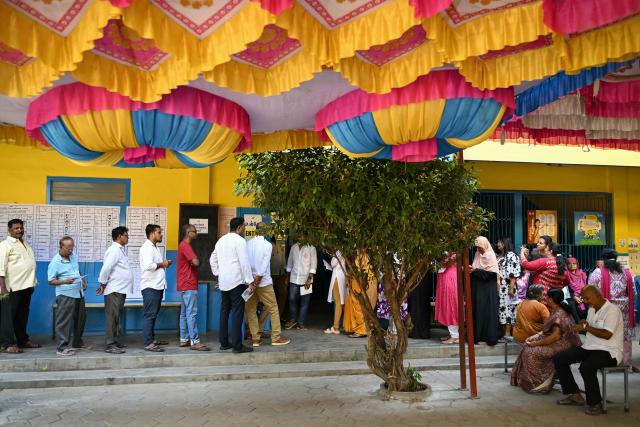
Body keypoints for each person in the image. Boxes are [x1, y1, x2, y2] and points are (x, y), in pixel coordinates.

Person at [554, 285, 624, 416]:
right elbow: (589, 326)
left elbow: (607, 334)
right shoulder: (592, 309)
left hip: (609, 351)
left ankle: (595, 403)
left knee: (586, 367)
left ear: (598, 295)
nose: (585, 301)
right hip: (590, 346)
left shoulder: (612, 310)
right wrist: (583, 324)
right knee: (560, 358)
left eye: (587, 298)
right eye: (583, 298)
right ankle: (575, 395)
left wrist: (586, 328)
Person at [511, 288, 581, 393]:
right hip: (554, 339)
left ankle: (540, 383)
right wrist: (536, 336)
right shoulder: (553, 309)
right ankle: (533, 380)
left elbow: (555, 337)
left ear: (551, 299)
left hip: (563, 343)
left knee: (530, 352)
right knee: (527, 346)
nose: (545, 298)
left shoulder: (559, 313)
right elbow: (547, 331)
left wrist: (536, 343)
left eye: (547, 296)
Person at [210, 217, 255, 354]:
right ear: (240, 228)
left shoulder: (221, 240)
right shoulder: (240, 241)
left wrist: (219, 273)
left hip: (224, 282)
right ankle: (237, 345)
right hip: (236, 282)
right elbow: (244, 263)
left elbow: (212, 259)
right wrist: (250, 281)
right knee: (237, 313)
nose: (244, 229)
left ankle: (224, 342)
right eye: (244, 227)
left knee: (224, 311)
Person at [588, 249, 635, 368]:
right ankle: (625, 363)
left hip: (606, 309)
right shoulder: (627, 273)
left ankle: (606, 362)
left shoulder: (598, 272)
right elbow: (633, 292)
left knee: (605, 333)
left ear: (603, 259)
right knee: (624, 335)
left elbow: (590, 291)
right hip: (624, 309)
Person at [246, 222, 290, 347]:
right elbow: (265, 263)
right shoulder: (267, 245)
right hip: (263, 282)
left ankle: (255, 339)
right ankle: (276, 338)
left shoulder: (247, 243)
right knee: (273, 308)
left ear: (256, 230)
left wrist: (252, 280)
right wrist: (259, 278)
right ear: (265, 231)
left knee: (251, 309)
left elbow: (245, 263)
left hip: (250, 282)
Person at [0, 219, 40, 353]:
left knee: (22, 315)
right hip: (12, 287)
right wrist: (3, 288)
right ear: (9, 230)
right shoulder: (5, 245)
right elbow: (0, 268)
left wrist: (32, 283)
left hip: (26, 286)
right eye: (16, 228)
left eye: (21, 228)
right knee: (8, 317)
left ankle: (22, 340)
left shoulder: (25, 244)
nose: (19, 230)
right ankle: (7, 344)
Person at [48, 236, 86, 356]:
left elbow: (77, 270)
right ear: (61, 247)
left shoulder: (73, 257)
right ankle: (61, 347)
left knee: (81, 319)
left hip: (78, 293)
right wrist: (64, 281)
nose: (71, 250)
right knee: (64, 321)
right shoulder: (55, 262)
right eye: (68, 247)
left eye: (72, 247)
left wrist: (82, 281)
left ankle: (77, 343)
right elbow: (50, 281)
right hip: (65, 294)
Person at [97, 226, 133, 354]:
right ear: (119, 236)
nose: (128, 237)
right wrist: (102, 283)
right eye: (126, 235)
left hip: (120, 289)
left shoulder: (119, 250)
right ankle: (110, 344)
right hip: (114, 289)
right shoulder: (113, 250)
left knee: (116, 317)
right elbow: (106, 268)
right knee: (112, 318)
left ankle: (116, 342)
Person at [139, 224, 172, 352]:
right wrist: (163, 264)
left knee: (153, 314)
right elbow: (148, 266)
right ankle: (148, 343)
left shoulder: (154, 248)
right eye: (159, 232)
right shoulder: (147, 248)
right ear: (152, 234)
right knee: (149, 315)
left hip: (156, 285)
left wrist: (163, 264)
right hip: (150, 286)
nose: (161, 234)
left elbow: (154, 265)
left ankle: (151, 339)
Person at [177, 224, 209, 351]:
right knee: (191, 313)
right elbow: (195, 262)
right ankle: (195, 341)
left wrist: (194, 261)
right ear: (188, 233)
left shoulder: (182, 245)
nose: (196, 233)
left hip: (183, 284)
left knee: (184, 313)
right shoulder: (185, 246)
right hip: (189, 283)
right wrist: (195, 261)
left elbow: (193, 262)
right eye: (194, 231)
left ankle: (184, 339)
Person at [520, 238, 569, 306]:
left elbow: (526, 265)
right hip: (553, 300)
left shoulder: (546, 261)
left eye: (546, 248)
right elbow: (567, 281)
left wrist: (522, 253)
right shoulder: (563, 265)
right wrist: (556, 285)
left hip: (541, 298)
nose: (545, 249)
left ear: (550, 251)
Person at [470, 236, 500, 346]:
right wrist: (473, 270)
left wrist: (476, 270)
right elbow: (475, 269)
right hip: (478, 288)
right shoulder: (477, 254)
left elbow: (491, 274)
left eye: (480, 247)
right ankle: (477, 336)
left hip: (488, 289)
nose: (478, 250)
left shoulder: (490, 255)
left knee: (487, 311)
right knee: (478, 310)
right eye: (477, 247)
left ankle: (488, 337)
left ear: (485, 245)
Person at [284, 234, 317, 330]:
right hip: (294, 278)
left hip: (306, 279)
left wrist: (309, 279)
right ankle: (293, 319)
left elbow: (313, 265)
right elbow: (290, 263)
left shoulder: (311, 248)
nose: (299, 237)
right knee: (291, 299)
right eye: (298, 235)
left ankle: (301, 322)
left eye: (302, 235)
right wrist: (287, 277)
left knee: (305, 302)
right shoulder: (293, 247)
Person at [343, 251, 377, 338]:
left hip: (361, 283)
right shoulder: (363, 256)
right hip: (361, 282)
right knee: (356, 303)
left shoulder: (363, 257)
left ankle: (361, 330)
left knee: (359, 305)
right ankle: (356, 328)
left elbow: (360, 272)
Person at [496, 238, 521, 342]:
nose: (498, 244)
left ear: (505, 244)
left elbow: (514, 274)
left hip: (508, 286)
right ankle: (503, 334)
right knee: (502, 310)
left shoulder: (512, 255)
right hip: (500, 287)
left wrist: (511, 288)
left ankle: (507, 334)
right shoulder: (500, 256)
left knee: (508, 310)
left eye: (500, 242)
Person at [435, 253, 459, 344]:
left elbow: (447, 262)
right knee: (446, 305)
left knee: (450, 305)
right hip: (446, 277)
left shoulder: (454, 254)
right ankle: (453, 333)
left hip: (450, 278)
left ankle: (455, 336)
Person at [324, 250, 347, 335]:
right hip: (344, 276)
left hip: (338, 276)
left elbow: (333, 264)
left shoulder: (338, 251)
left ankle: (336, 327)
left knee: (338, 303)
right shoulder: (346, 250)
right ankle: (346, 325)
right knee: (343, 302)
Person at [566, 257, 587, 321]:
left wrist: (582, 296)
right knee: (573, 305)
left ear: (577, 265)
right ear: (567, 265)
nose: (572, 265)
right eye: (569, 264)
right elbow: (566, 289)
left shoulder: (582, 274)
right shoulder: (566, 275)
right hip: (571, 297)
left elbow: (585, 287)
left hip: (582, 296)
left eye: (574, 263)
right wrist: (574, 297)